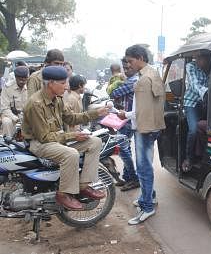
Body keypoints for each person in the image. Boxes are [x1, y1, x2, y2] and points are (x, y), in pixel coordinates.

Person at [22, 66, 109, 211]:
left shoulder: (57, 99)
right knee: (71, 154)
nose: (67, 86)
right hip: (39, 143)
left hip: (57, 139)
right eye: (63, 83)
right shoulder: (35, 104)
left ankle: (83, 186)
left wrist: (96, 113)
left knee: (95, 142)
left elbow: (71, 118)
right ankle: (63, 194)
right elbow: (44, 137)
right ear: (50, 83)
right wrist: (73, 136)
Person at [118, 45, 165, 225]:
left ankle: (147, 207)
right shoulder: (153, 73)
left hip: (144, 129)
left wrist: (127, 115)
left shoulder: (143, 80)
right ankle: (149, 197)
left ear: (139, 58)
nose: (128, 65)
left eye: (130, 61)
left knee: (143, 168)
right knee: (146, 166)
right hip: (152, 127)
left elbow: (141, 112)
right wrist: (129, 115)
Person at [110, 58, 140, 191]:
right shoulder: (127, 80)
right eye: (124, 68)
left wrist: (116, 81)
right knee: (125, 149)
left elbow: (113, 93)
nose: (126, 71)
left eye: (129, 68)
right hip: (125, 118)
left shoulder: (132, 81)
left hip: (128, 119)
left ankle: (133, 178)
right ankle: (128, 177)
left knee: (122, 149)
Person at [182, 53, 211, 172]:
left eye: (203, 57)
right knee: (194, 130)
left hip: (208, 104)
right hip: (192, 103)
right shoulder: (191, 66)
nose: (200, 60)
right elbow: (194, 85)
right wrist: (207, 92)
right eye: (198, 57)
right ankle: (189, 158)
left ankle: (205, 157)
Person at [0, 66, 29, 137]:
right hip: (11, 115)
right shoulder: (7, 87)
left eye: (25, 79)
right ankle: (9, 144)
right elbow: (4, 108)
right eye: (20, 79)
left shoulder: (30, 86)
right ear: (15, 77)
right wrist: (15, 118)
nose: (23, 82)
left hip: (27, 115)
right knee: (7, 122)